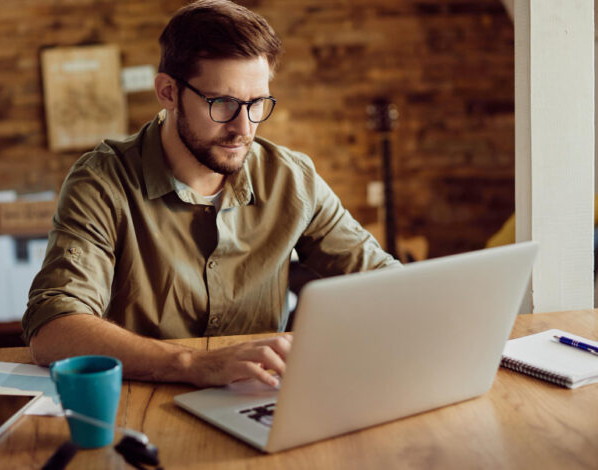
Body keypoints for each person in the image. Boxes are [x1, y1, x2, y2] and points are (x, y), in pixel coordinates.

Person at [23, 0, 401, 388]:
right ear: (168, 92)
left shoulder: (292, 178)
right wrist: (192, 363)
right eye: (223, 103)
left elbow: (389, 283)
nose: (244, 127)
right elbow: (53, 329)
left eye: (257, 104)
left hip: (256, 397)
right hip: (142, 401)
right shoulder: (102, 182)